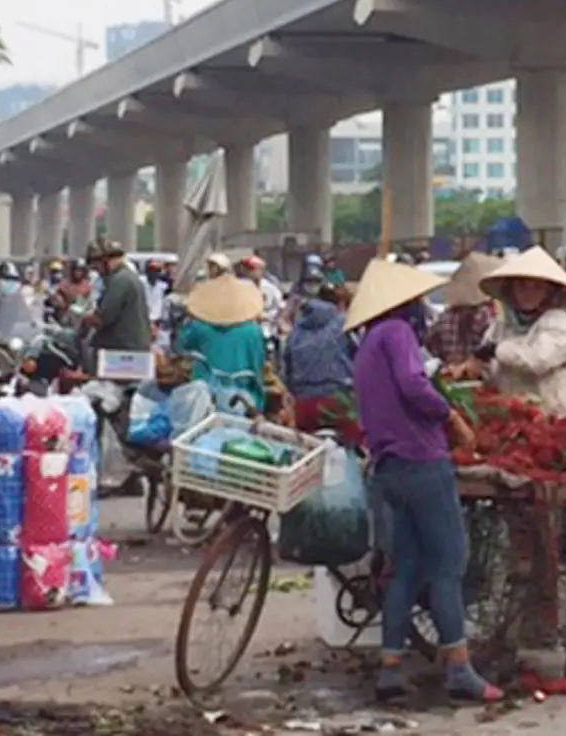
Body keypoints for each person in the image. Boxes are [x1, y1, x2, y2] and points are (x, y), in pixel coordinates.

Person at [344, 259, 500, 705]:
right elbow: (414, 386)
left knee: (408, 568)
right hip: (421, 462)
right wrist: (451, 418)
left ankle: (390, 668)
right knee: (449, 565)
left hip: (389, 467)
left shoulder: (370, 341)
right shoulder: (397, 334)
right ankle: (459, 670)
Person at [473, 248, 566, 422]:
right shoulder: (502, 324)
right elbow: (492, 367)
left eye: (537, 287)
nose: (528, 293)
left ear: (549, 291)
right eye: (522, 286)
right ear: (511, 289)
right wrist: (477, 367)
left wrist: (496, 349)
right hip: (515, 417)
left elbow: (537, 360)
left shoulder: (558, 322)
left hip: (556, 419)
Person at [177, 272, 278, 416]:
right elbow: (258, 366)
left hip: (203, 396)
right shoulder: (253, 331)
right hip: (245, 396)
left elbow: (182, 351)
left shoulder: (197, 327)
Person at [286, 283, 358, 438]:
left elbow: (286, 370)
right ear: (341, 304)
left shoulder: (296, 331)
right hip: (339, 400)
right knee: (356, 447)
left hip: (303, 405)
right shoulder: (343, 324)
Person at [424, 252, 501, 369]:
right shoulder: (485, 314)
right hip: (480, 377)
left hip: (451, 377)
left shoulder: (446, 317)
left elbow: (431, 345)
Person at [86, 239, 152, 359]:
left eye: (96, 266)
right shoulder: (130, 277)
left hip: (121, 351)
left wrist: (85, 318)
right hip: (135, 348)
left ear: (105, 261)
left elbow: (102, 318)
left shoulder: (119, 281)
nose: (97, 271)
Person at [0, 261, 40, 342]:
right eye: (6, 279)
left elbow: (31, 321)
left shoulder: (24, 296)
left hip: (18, 342)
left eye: (14, 279)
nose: (10, 282)